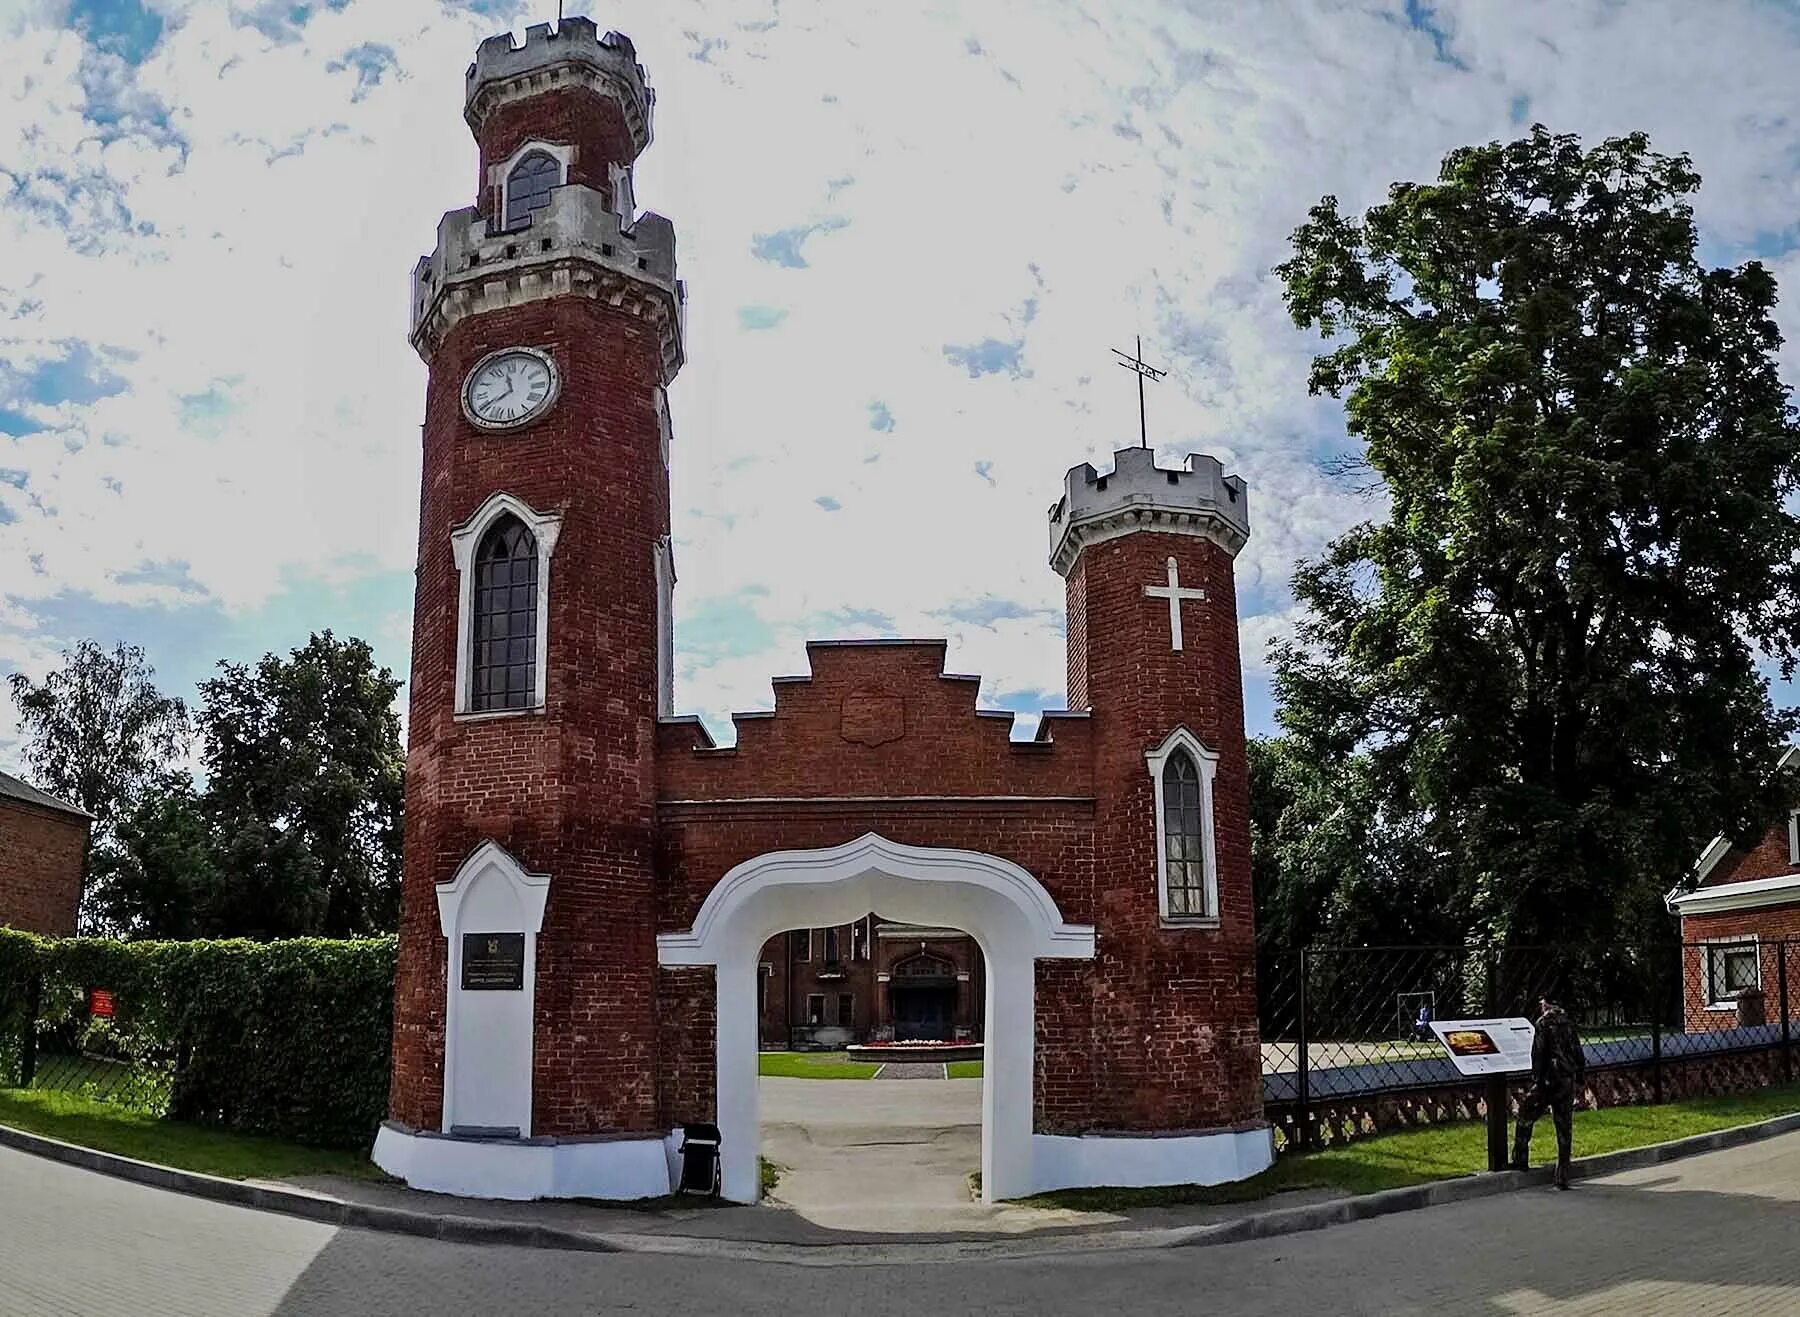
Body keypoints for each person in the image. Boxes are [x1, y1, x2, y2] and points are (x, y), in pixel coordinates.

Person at [1512, 994, 1585, 1188]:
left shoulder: (1543, 1023)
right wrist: (1580, 1077)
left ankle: (1520, 1158)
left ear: (1546, 1003)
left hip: (1548, 1079)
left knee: (1525, 1115)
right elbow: (1577, 1051)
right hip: (1566, 1079)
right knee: (1564, 1127)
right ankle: (1562, 1175)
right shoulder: (1568, 1022)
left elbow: (1539, 1052)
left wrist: (1537, 1077)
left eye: (1541, 1001)